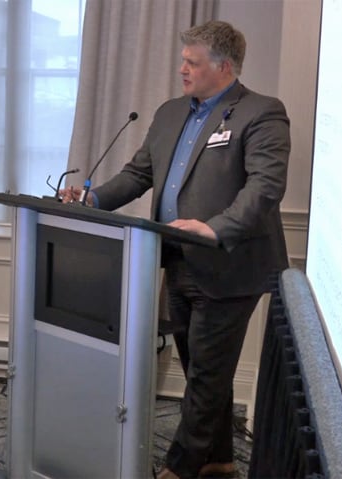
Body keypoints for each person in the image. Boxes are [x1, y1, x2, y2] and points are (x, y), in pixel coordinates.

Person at [61, 20, 290, 479]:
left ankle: (179, 468)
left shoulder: (261, 112)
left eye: (193, 62)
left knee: (206, 375)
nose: (182, 68)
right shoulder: (169, 113)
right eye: (183, 59)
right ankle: (220, 460)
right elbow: (138, 174)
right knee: (203, 368)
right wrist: (94, 199)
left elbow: (265, 188)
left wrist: (215, 228)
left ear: (223, 67)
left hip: (228, 265)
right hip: (175, 258)